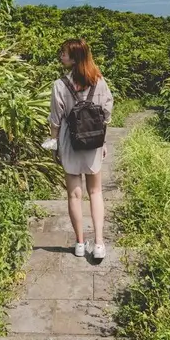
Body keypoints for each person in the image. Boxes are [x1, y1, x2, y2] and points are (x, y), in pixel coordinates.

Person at [48, 38, 114, 260]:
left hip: (70, 142)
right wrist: (102, 141)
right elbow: (106, 113)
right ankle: (99, 244)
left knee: (74, 195)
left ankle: (78, 243)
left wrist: (55, 143)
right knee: (95, 192)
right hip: (93, 142)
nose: (61, 56)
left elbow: (55, 120)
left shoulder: (60, 85)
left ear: (75, 57)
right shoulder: (99, 81)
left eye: (64, 53)